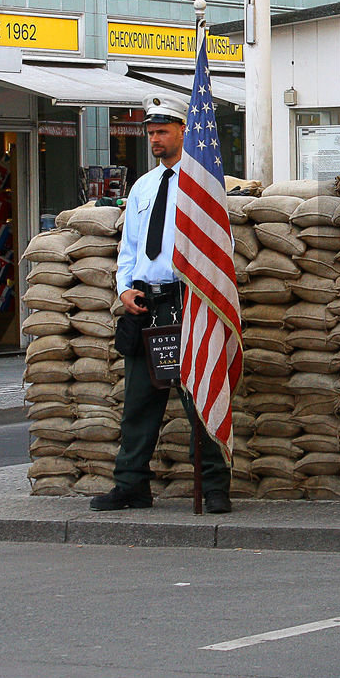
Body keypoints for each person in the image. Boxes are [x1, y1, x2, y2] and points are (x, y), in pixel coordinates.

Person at [90, 94, 233, 515]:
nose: (154, 138)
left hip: (190, 300)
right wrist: (125, 288)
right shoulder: (143, 187)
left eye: (162, 131)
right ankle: (131, 484)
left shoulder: (203, 184)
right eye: (150, 132)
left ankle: (214, 487)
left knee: (199, 398)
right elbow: (130, 248)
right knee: (138, 401)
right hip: (148, 304)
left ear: (182, 132)